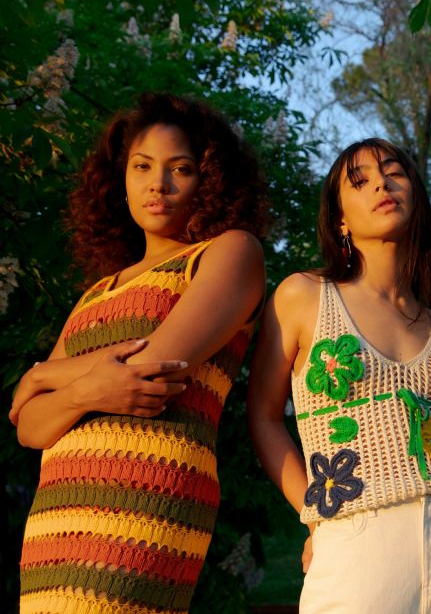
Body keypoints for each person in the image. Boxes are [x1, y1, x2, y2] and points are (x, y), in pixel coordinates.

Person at [10, 93, 266, 613]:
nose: (158, 184)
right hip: (55, 519)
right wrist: (84, 391)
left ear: (209, 181)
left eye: (181, 169)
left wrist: (42, 377)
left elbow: (152, 367)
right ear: (119, 180)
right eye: (142, 166)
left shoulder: (229, 252)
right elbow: (30, 428)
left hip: (146, 503)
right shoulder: (96, 294)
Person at [247, 138, 431, 614]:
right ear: (340, 220)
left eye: (394, 172)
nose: (381, 183)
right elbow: (264, 417)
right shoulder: (303, 296)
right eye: (360, 181)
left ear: (415, 197)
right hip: (357, 543)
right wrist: (313, 517)